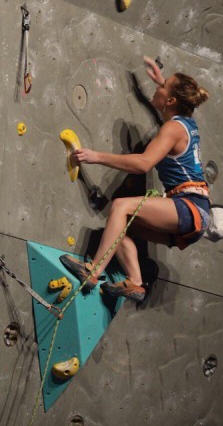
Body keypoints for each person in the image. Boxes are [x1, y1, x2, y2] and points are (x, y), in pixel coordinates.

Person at [60, 56, 210, 303]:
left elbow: (143, 163)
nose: (158, 88)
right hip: (195, 213)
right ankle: (136, 282)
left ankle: (93, 271)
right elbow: (168, 111)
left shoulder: (173, 129)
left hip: (189, 207)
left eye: (162, 87)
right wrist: (162, 83)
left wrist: (96, 157)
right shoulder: (185, 123)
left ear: (171, 101)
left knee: (121, 206)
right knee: (120, 224)